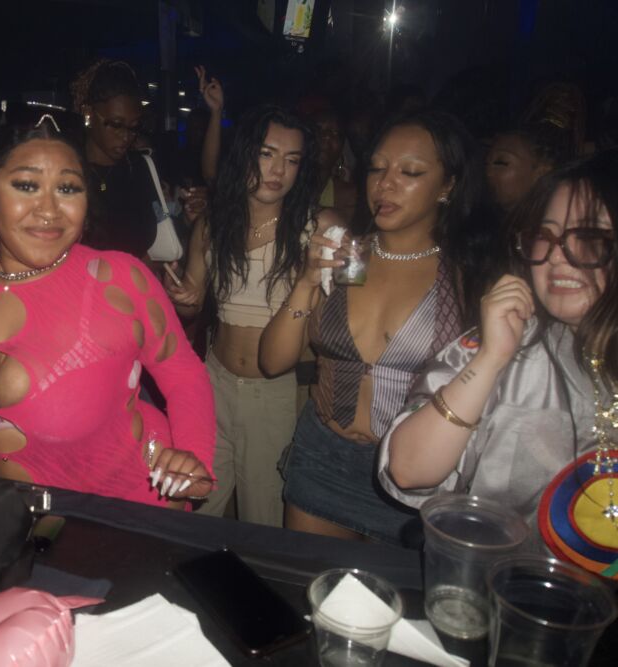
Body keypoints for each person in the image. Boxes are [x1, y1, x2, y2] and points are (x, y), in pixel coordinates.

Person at [0, 111, 215, 508]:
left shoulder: (120, 279)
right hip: (11, 517)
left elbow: (183, 372)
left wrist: (194, 456)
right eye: (26, 185)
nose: (49, 210)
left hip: (135, 507)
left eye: (68, 188)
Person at [259, 109, 503, 544]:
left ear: (447, 186)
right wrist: (306, 282)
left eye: (410, 172)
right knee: (314, 583)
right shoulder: (345, 257)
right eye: (376, 168)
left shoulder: (471, 276)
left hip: (415, 478)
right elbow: (273, 362)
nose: (384, 184)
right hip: (322, 457)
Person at [380, 150, 618, 556]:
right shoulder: (509, 342)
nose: (556, 256)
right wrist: (490, 358)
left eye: (590, 239)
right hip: (508, 585)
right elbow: (408, 470)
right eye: (545, 237)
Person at [165, 103, 333, 527]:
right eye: (267, 154)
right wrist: (182, 296)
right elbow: (193, 303)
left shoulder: (314, 229)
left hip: (273, 393)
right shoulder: (213, 224)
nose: (278, 170)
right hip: (212, 382)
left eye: (292, 160)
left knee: (264, 520)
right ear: (244, 155)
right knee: (198, 507)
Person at [70, 59, 165, 260]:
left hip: (135, 279)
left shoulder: (139, 168)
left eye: (133, 126)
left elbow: (148, 244)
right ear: (89, 114)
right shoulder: (68, 172)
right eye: (116, 124)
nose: (126, 136)